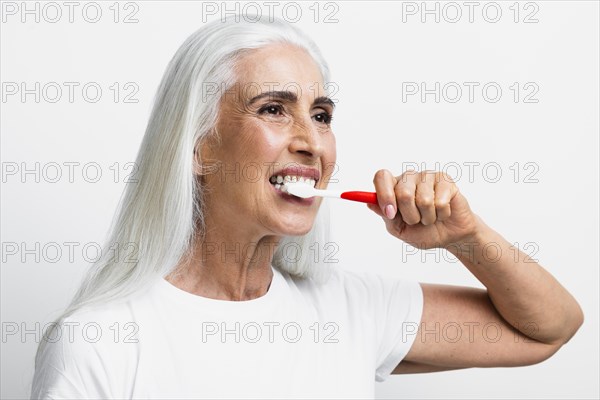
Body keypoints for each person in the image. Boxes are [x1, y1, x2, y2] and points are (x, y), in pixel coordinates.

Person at [31, 16, 583, 399]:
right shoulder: (97, 343)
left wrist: (464, 236)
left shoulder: (350, 308)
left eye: (321, 115)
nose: (312, 142)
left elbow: (549, 329)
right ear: (198, 146)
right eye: (274, 109)